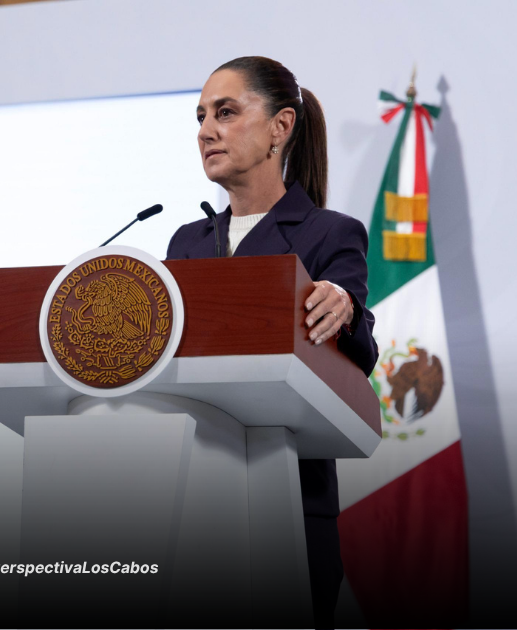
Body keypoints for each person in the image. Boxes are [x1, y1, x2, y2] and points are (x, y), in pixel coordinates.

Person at [167, 56, 378, 627]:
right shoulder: (186, 244)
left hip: (287, 504)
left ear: (281, 127)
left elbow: (360, 347)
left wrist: (347, 307)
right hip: (186, 504)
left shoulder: (329, 233)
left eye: (226, 112)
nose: (205, 130)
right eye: (201, 116)